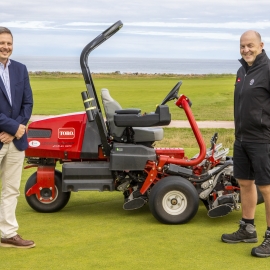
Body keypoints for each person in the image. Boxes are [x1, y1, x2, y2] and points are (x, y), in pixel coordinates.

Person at [221, 30, 270, 257]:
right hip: (242, 138)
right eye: (242, 46)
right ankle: (248, 228)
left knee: (267, 189)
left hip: (263, 140)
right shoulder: (242, 70)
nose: (246, 50)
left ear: (261, 45)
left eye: (250, 45)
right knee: (245, 182)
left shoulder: (267, 70)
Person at [0, 27, 34, 248]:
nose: (5, 47)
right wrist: (14, 127)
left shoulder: (20, 69)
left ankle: (7, 233)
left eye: (9, 43)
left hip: (15, 140)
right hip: (7, 134)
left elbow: (28, 103)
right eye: (2, 43)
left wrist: (17, 129)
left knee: (11, 189)